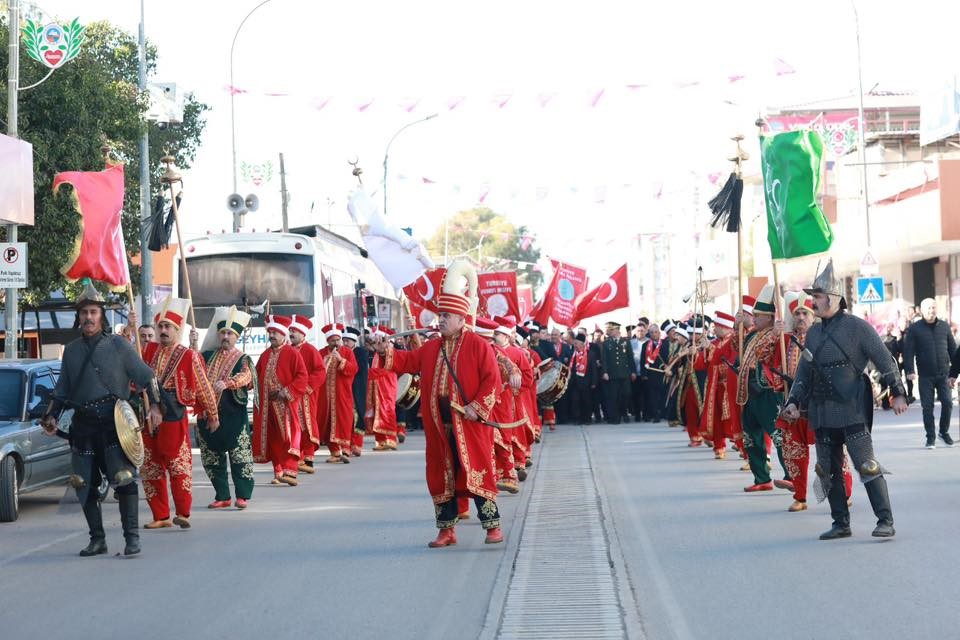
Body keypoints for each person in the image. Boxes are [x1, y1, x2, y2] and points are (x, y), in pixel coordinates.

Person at [373, 281, 504, 548]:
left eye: (445, 316)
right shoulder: (432, 347)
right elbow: (406, 361)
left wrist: (476, 407)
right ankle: (447, 531)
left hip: (469, 424)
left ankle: (492, 527)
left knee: (477, 471)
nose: (440, 320)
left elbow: (493, 381)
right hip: (438, 425)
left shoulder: (479, 345)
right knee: (440, 474)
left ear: (460, 319)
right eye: (440, 315)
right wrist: (383, 350)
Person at [782, 259, 907, 539]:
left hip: (851, 406)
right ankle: (841, 523)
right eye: (812, 296)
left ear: (834, 298)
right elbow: (803, 374)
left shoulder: (857, 328)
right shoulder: (813, 333)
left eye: (817, 296)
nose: (812, 301)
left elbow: (885, 360)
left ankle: (885, 520)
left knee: (866, 464)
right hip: (821, 410)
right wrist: (793, 401)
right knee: (827, 469)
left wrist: (898, 393)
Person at [41, 283, 162, 557]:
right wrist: (51, 417)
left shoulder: (118, 345)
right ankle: (98, 539)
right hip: (83, 425)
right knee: (82, 483)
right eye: (84, 312)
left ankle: (132, 539)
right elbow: (62, 390)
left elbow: (147, 376)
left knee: (123, 478)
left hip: (114, 423)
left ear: (102, 316)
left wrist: (156, 406)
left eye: (93, 312)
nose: (88, 317)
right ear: (78, 317)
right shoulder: (71, 351)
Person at [140, 296, 219, 530]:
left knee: (178, 465)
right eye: (160, 327)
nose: (163, 331)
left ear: (177, 330)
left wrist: (212, 414)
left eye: (168, 327)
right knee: (150, 467)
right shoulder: (148, 350)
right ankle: (160, 515)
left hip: (173, 416)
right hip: (148, 416)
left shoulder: (188, 355)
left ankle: (183, 512)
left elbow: (203, 385)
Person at [197, 306, 257, 509]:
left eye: (230, 333)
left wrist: (229, 383)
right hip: (207, 414)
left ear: (236, 336)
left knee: (240, 456)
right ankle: (222, 495)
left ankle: (242, 495)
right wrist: (192, 343)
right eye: (223, 332)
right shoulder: (207, 355)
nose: (225, 336)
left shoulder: (243, 359)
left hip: (233, 415)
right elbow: (194, 366)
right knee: (211, 458)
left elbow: (247, 377)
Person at [735, 285, 789, 492]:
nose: (754, 318)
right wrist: (738, 326)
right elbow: (735, 350)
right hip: (748, 392)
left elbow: (768, 355)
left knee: (777, 435)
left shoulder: (777, 334)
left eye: (758, 315)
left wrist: (776, 334)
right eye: (754, 315)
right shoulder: (750, 335)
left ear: (769, 317)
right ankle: (761, 478)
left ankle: (791, 474)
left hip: (767, 391)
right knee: (751, 436)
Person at [253, 315, 308, 484]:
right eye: (270, 332)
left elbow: (302, 376)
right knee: (273, 439)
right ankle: (279, 471)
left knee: (289, 436)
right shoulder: (264, 355)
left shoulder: (292, 353)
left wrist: (287, 392)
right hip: (267, 406)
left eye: (275, 332)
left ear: (283, 334)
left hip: (285, 403)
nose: (272, 335)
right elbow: (255, 376)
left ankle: (290, 470)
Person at [902, 298, 957, 448]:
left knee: (948, 403)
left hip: (944, 374)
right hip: (925, 375)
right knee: (927, 407)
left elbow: (953, 350)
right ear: (922, 310)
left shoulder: (944, 327)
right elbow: (908, 351)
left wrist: (955, 373)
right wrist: (910, 371)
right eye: (928, 308)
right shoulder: (914, 329)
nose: (931, 311)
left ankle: (943, 432)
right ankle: (930, 437)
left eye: (933, 308)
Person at [316, 323, 359, 463]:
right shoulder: (321, 353)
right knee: (327, 422)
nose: (336, 343)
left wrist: (341, 360)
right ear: (328, 341)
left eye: (338, 340)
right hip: (325, 396)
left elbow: (354, 369)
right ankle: (334, 452)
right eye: (333, 340)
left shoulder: (347, 352)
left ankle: (346, 450)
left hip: (342, 394)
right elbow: (316, 370)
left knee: (344, 420)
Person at [699, 311, 739, 459]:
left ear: (725, 327)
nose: (714, 329)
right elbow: (701, 365)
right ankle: (719, 446)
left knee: (734, 417)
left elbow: (727, 359)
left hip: (730, 386)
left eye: (717, 326)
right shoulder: (713, 343)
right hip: (715, 385)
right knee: (715, 416)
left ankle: (741, 445)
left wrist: (710, 348)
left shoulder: (734, 341)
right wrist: (699, 353)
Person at [288, 315, 325, 471]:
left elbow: (320, 371)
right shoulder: (288, 350)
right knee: (294, 426)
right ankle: (299, 456)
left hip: (306, 395)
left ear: (303, 334)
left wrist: (306, 386)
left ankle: (308, 457)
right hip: (291, 395)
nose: (291, 334)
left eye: (294, 331)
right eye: (290, 331)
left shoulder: (310, 350)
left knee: (307, 425)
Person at [367, 326, 401, 451]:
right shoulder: (375, 353)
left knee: (387, 410)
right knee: (377, 411)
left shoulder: (389, 351)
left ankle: (391, 439)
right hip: (375, 384)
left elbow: (386, 368)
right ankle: (380, 440)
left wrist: (369, 374)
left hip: (387, 383)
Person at [600, 321, 637, 424]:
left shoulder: (625, 342)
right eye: (609, 330)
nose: (610, 332)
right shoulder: (606, 343)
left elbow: (630, 358)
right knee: (614, 396)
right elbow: (604, 359)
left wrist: (633, 371)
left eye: (612, 330)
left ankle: (624, 412)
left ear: (617, 330)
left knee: (626, 394)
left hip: (625, 373)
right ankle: (615, 417)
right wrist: (605, 372)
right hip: (612, 374)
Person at [345, 326, 369, 456]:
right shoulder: (342, 351)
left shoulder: (360, 352)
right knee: (347, 417)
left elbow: (360, 371)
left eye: (348, 340)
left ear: (354, 341)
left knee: (358, 414)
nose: (345, 343)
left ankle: (357, 444)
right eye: (344, 340)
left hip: (357, 387)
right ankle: (347, 444)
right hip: (345, 388)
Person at [639, 323, 668, 422]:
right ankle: (654, 415)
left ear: (659, 333)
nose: (654, 334)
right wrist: (644, 374)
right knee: (651, 396)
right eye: (651, 332)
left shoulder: (665, 344)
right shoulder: (645, 345)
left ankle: (661, 413)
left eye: (656, 332)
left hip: (662, 373)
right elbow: (642, 361)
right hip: (650, 374)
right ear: (649, 334)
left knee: (661, 395)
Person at [569, 332, 599, 424]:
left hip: (587, 382)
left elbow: (594, 369)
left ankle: (587, 419)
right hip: (575, 382)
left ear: (582, 344)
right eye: (574, 343)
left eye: (577, 343)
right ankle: (577, 419)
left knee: (587, 402)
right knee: (575, 401)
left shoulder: (590, 354)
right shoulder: (573, 354)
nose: (575, 345)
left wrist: (594, 382)